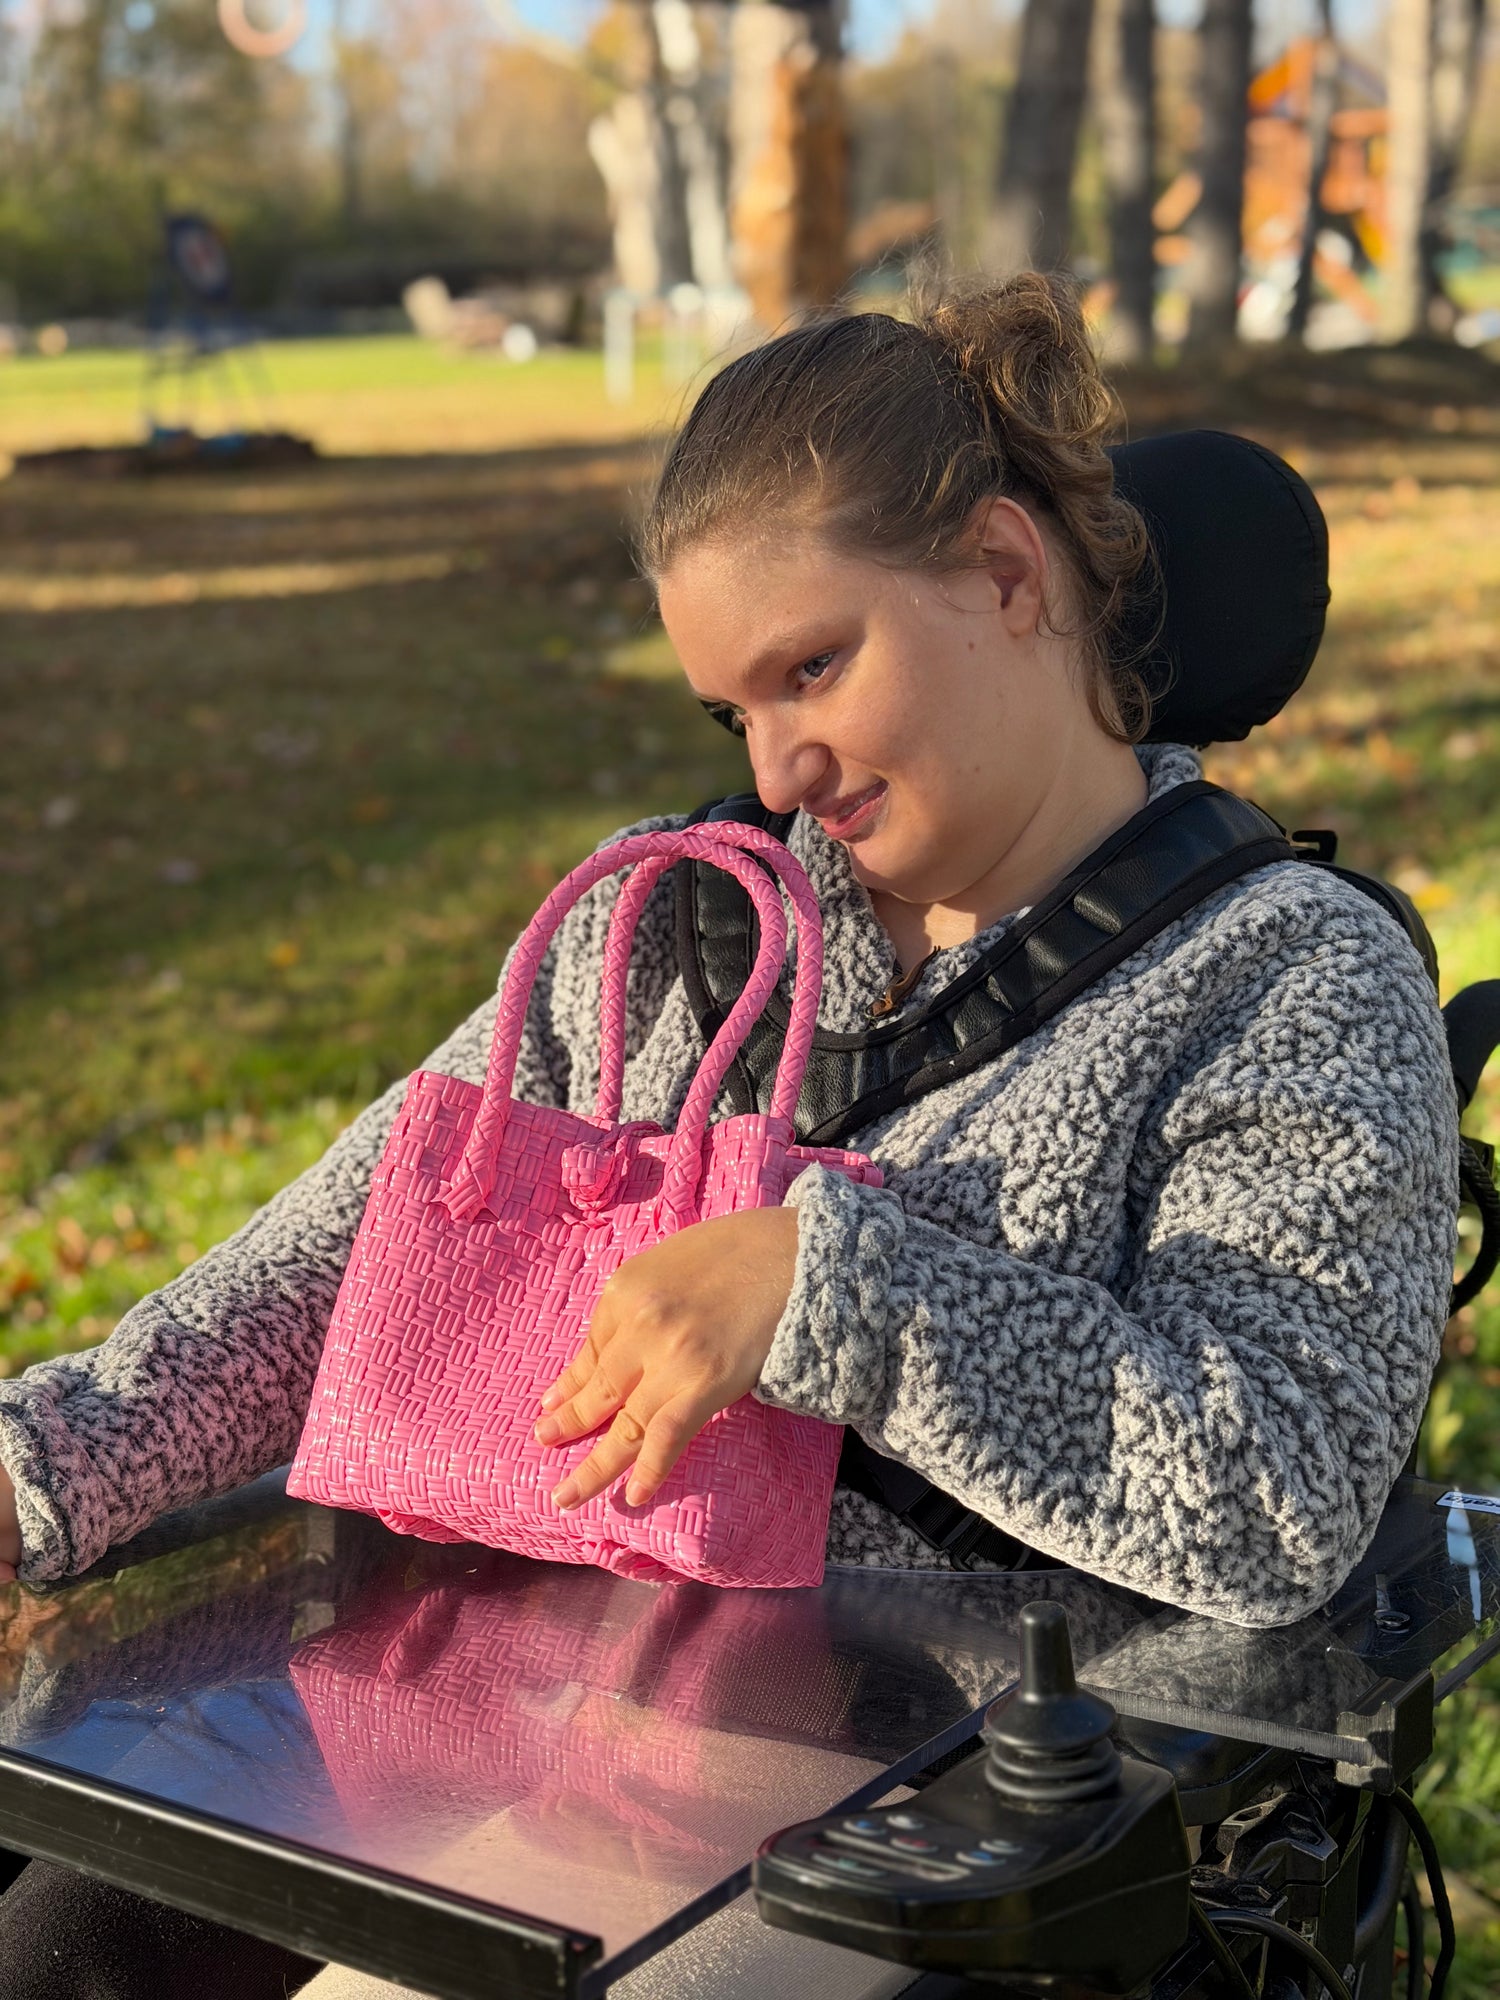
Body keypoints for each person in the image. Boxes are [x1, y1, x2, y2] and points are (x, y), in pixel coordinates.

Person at [0, 274, 1459, 1997]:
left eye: (812, 669)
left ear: (1006, 573)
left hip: (921, 1796)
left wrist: (829, 1293)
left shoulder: (1288, 974)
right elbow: (353, 1258)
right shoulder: (676, 925)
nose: (777, 771)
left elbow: (1279, 1490)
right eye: (734, 713)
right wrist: (52, 1471)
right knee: (61, 1949)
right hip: (487, 1671)